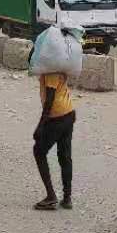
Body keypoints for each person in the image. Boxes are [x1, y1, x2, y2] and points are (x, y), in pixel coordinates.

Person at [33, 29, 78, 211]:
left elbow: (50, 100)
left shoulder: (50, 69)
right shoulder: (59, 65)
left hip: (57, 116)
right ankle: (67, 198)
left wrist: (40, 126)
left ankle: (51, 196)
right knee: (64, 155)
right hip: (69, 112)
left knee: (39, 151)